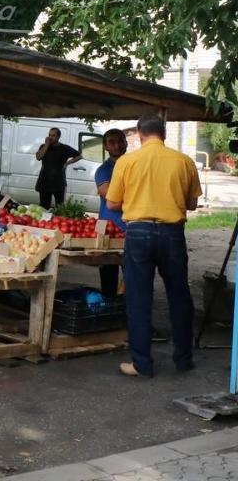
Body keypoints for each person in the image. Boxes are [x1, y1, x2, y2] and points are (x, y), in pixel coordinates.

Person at [106, 114, 201, 377]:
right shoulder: (183, 161)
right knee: (179, 296)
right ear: (164, 134)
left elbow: (112, 203)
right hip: (172, 234)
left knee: (139, 298)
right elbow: (192, 203)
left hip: (138, 233)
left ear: (139, 133)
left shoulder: (127, 161)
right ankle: (183, 359)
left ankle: (141, 364)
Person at [95, 129, 128, 298]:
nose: (117, 145)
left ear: (126, 142)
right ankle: (109, 309)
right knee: (108, 277)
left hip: (129, 228)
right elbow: (110, 196)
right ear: (105, 146)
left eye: (120, 141)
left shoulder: (133, 165)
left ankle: (123, 310)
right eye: (112, 142)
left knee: (132, 275)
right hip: (108, 228)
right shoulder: (104, 170)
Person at [35, 127, 82, 209]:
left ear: (58, 137)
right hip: (44, 182)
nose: (50, 137)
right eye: (49, 135)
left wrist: (67, 163)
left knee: (60, 208)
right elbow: (39, 157)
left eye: (53, 135)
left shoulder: (64, 148)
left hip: (59, 183)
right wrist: (46, 145)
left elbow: (79, 156)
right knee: (43, 207)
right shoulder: (43, 146)